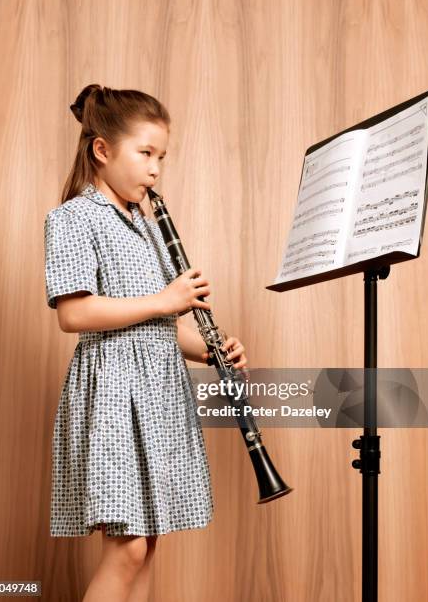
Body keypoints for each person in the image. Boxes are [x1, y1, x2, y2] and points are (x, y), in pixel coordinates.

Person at [43, 84, 248, 602]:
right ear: (102, 150)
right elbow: (75, 314)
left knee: (148, 541)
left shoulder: (149, 225)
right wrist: (166, 299)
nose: (156, 169)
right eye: (146, 153)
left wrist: (208, 351)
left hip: (158, 389)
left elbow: (159, 321)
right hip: (113, 390)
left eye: (162, 157)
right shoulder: (72, 217)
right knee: (127, 547)